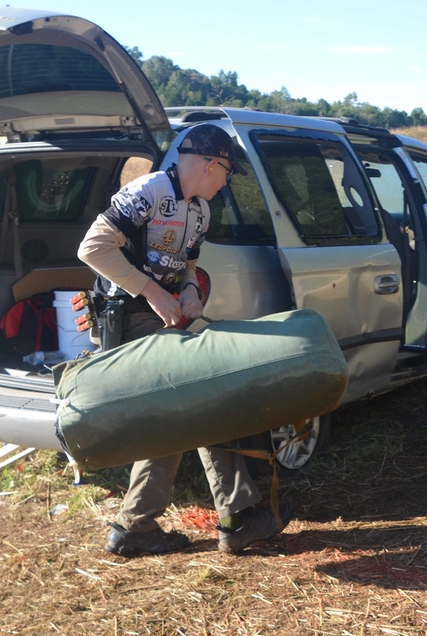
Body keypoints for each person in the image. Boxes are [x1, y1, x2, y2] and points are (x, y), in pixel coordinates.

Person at [77, 123, 292, 556]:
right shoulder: (150, 190)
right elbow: (93, 248)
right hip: (132, 319)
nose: (226, 184)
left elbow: (188, 264)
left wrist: (189, 289)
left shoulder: (200, 210)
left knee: (187, 409)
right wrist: (154, 292)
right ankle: (232, 515)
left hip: (165, 319)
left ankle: (160, 523)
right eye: (228, 174)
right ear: (213, 165)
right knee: (184, 410)